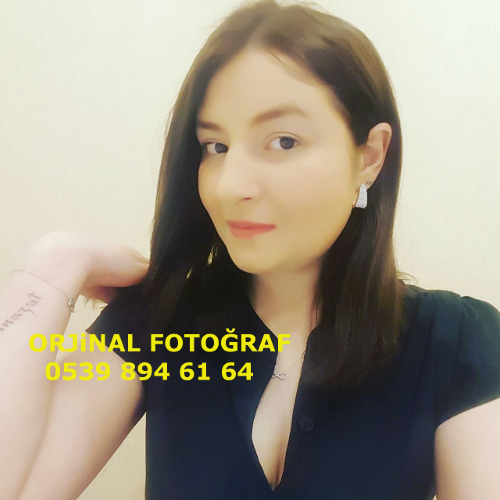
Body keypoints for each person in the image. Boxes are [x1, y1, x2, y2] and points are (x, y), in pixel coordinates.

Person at [1, 0, 500, 499]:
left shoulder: (455, 344)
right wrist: (52, 266)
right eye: (215, 147)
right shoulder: (157, 325)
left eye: (283, 141)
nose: (229, 185)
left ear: (369, 156)